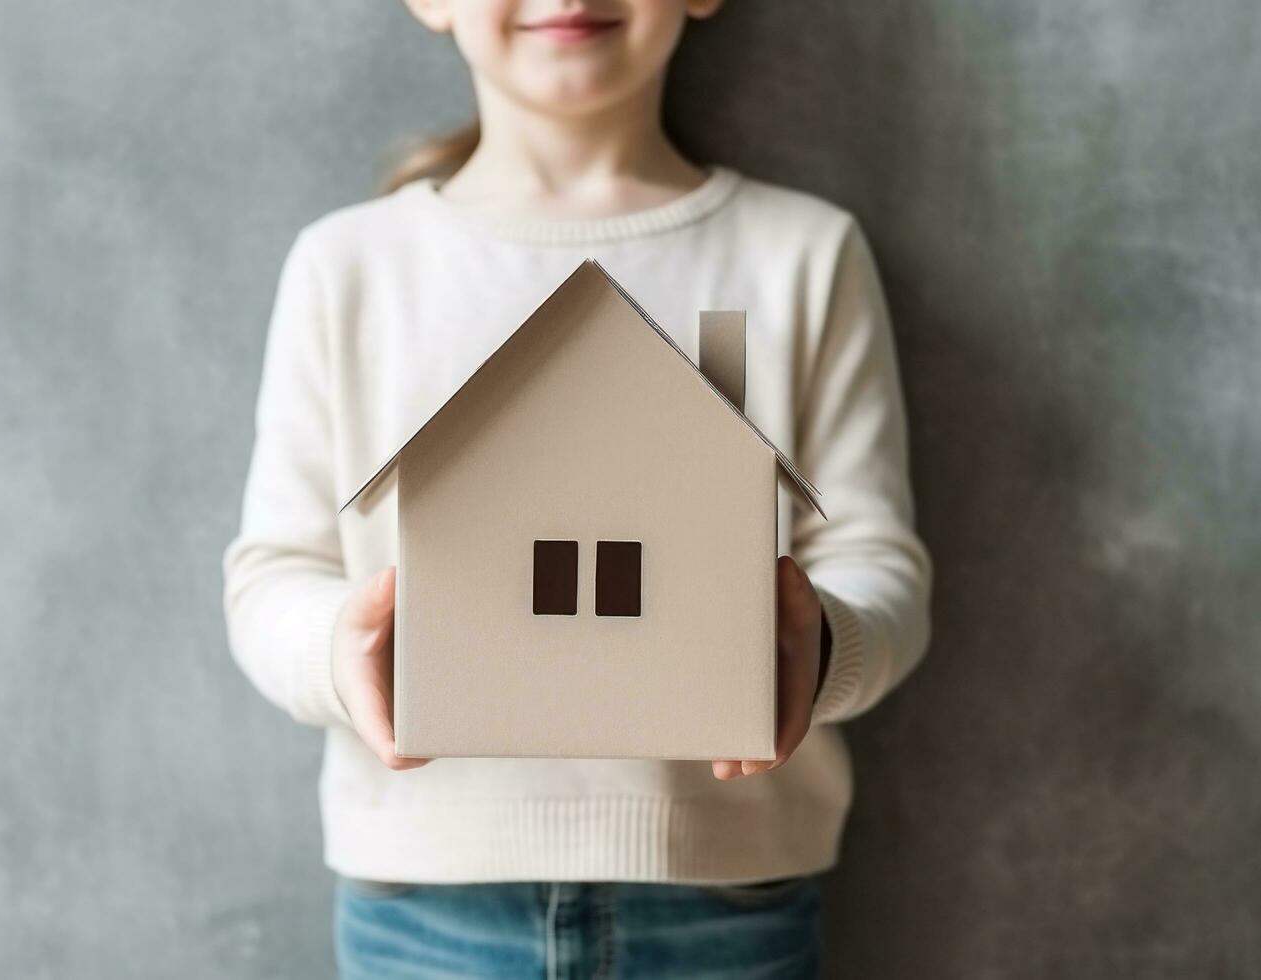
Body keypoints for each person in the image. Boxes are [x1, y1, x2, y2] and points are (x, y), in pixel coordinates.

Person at [221, 1, 933, 976]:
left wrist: (821, 651)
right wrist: (339, 655)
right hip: (424, 904)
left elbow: (876, 560)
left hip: (724, 899)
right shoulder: (350, 268)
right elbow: (274, 573)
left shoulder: (802, 254)